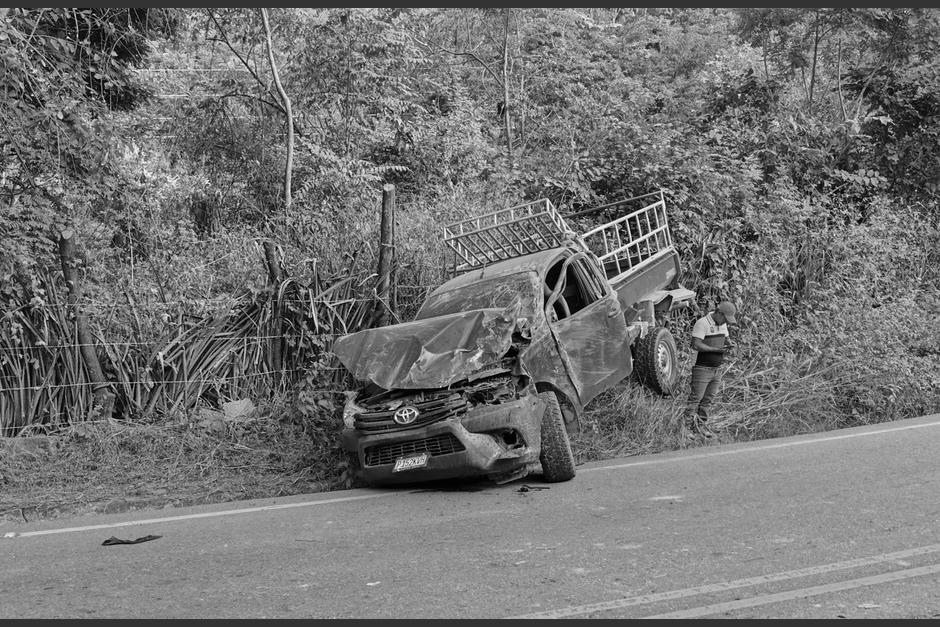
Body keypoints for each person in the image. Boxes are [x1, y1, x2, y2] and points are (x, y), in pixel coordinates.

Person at [685, 300, 737, 439]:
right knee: (696, 398)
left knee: (708, 399)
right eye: (725, 319)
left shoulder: (723, 324)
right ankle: (686, 428)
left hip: (717, 368)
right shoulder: (702, 323)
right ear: (719, 313)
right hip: (702, 367)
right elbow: (696, 345)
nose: (725, 322)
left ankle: (701, 426)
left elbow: (726, 338)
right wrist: (714, 349)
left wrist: (730, 344)